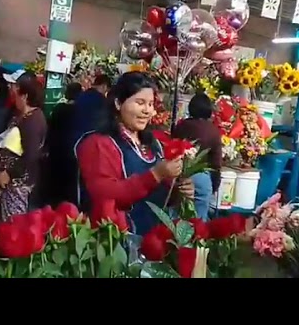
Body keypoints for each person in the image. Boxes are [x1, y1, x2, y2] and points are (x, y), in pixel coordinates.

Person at [76, 72, 194, 236]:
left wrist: (179, 191)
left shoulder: (154, 145)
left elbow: (158, 198)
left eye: (151, 104)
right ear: (118, 103)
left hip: (152, 241)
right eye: (140, 103)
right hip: (114, 243)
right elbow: (105, 195)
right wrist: (155, 175)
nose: (147, 110)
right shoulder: (99, 144)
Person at [0, 75, 47, 222]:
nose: (13, 95)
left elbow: (31, 155)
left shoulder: (33, 121)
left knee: (13, 224)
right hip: (6, 181)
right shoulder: (21, 116)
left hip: (17, 182)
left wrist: (8, 173)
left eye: (16, 92)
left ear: (25, 96)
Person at [172, 92, 223, 221]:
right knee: (198, 222)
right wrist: (214, 187)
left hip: (179, 174)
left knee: (176, 218)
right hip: (202, 177)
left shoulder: (181, 126)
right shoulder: (213, 131)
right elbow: (216, 163)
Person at [43, 82, 83, 205]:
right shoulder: (80, 112)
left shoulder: (59, 109)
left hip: (56, 151)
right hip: (71, 153)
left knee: (54, 182)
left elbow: (50, 128)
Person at [72, 74, 112, 144]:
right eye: (107, 91)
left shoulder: (81, 96)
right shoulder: (102, 101)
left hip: (75, 137)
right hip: (90, 139)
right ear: (104, 86)